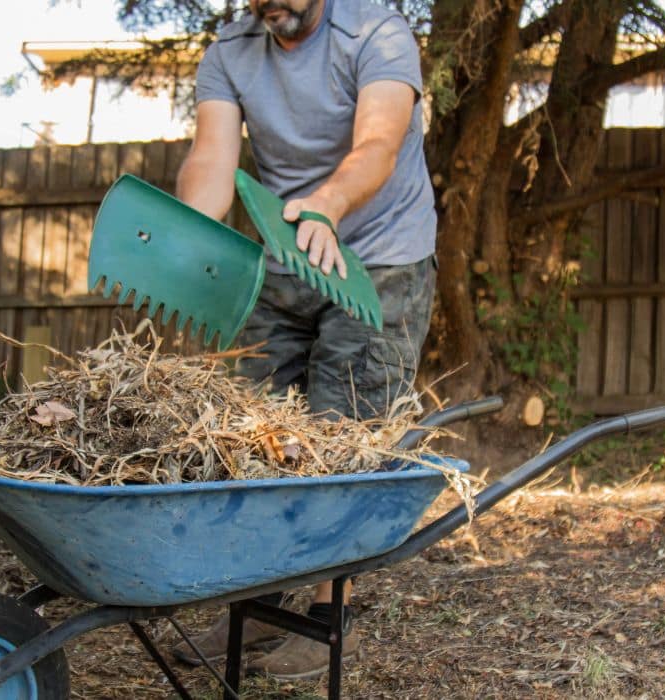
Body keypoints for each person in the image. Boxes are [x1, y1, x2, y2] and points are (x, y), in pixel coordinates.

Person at [170, 0, 438, 681]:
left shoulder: (377, 32)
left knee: (342, 434)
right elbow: (212, 160)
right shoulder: (232, 50)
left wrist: (328, 201)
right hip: (288, 257)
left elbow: (378, 144)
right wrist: (191, 234)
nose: (270, 5)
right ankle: (257, 602)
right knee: (256, 430)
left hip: (380, 260)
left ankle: (325, 621)